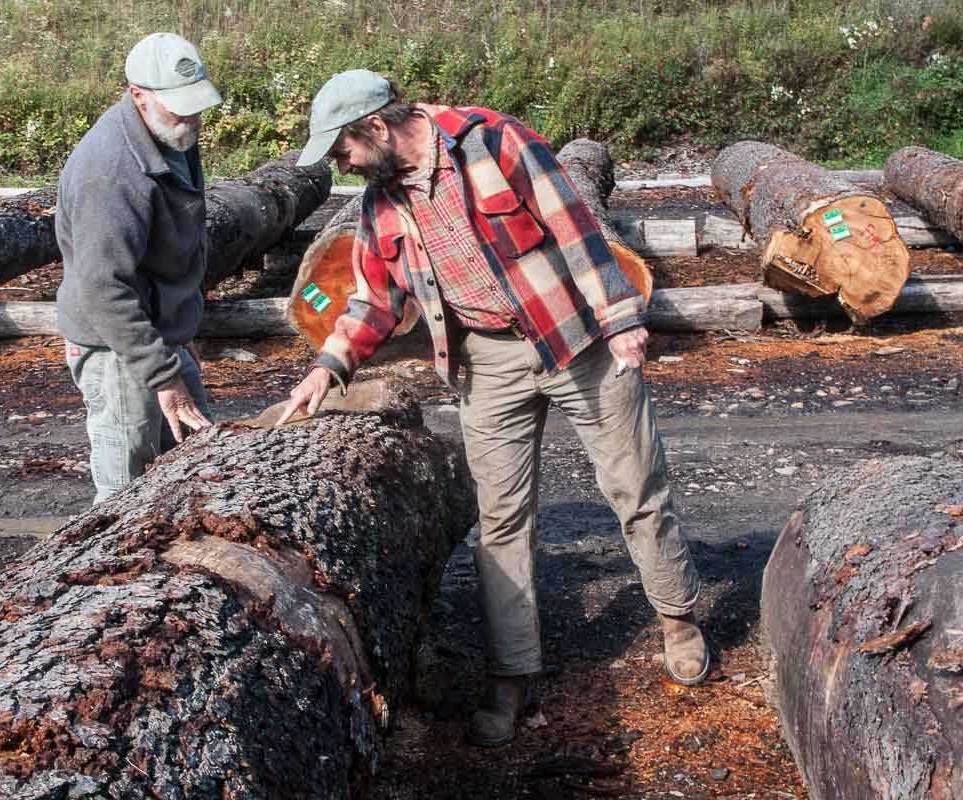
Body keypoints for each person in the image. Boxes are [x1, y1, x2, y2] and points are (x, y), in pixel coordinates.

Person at [278, 70, 710, 747]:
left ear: (377, 129)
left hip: (578, 341)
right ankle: (511, 674)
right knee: (500, 521)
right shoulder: (379, 205)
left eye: (344, 151)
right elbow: (371, 299)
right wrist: (328, 366)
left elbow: (574, 228)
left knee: (636, 489)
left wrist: (621, 314)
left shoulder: (493, 141)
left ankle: (679, 618)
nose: (344, 165)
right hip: (487, 361)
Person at [56, 32, 220, 504]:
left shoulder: (173, 133)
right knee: (125, 493)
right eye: (178, 107)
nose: (189, 117)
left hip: (158, 333)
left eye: (195, 105)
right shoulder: (109, 172)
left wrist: (182, 328)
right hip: (115, 346)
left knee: (198, 461)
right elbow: (104, 289)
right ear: (138, 95)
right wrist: (163, 375)